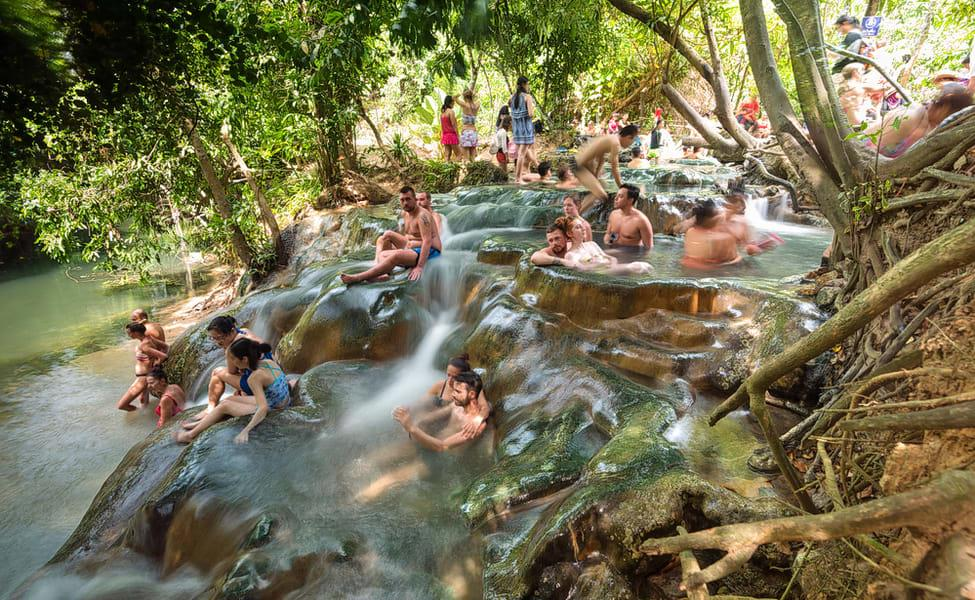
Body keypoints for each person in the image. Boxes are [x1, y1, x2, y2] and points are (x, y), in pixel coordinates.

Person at [176, 339, 290, 444]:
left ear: (244, 359)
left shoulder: (254, 377)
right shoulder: (268, 363)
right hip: (278, 399)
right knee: (228, 399)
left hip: (275, 408)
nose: (232, 362)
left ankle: (191, 435)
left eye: (233, 358)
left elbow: (263, 407)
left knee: (225, 406)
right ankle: (199, 424)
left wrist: (246, 430)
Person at [342, 186, 442, 284]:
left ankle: (359, 277)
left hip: (431, 251)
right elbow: (407, 235)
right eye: (402, 200)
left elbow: (427, 241)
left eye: (408, 199)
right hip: (413, 247)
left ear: (415, 199)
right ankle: (383, 274)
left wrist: (419, 267)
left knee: (396, 255)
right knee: (384, 249)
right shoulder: (405, 213)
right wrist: (404, 249)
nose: (405, 203)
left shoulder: (422, 216)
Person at [863, 83, 973, 158]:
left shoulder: (931, 124)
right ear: (946, 107)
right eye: (953, 115)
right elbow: (867, 153)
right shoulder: (909, 117)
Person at [393, 370, 487, 452]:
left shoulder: (476, 426)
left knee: (390, 472)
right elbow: (433, 416)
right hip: (430, 442)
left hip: (446, 456)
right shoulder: (456, 406)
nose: (453, 395)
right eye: (453, 390)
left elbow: (442, 447)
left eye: (458, 392)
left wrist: (411, 428)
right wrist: (410, 420)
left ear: (471, 394)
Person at [421, 354, 491, 438]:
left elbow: (485, 408)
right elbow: (422, 402)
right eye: (448, 375)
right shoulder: (440, 385)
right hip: (436, 420)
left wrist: (477, 420)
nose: (449, 380)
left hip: (453, 427)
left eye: (454, 377)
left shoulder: (473, 390)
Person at [574, 124, 640, 209]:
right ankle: (574, 217)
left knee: (602, 185)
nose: (631, 144)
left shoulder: (611, 138)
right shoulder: (615, 143)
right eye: (632, 140)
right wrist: (622, 187)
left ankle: (576, 214)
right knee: (601, 194)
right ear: (628, 137)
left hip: (581, 165)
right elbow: (615, 168)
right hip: (578, 167)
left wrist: (596, 174)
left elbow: (600, 156)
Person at [561, 216, 652, 275]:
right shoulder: (570, 255)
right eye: (578, 227)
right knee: (638, 267)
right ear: (569, 233)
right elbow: (580, 270)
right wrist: (600, 264)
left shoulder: (592, 244)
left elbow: (611, 258)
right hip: (599, 273)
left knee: (645, 266)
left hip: (610, 269)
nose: (583, 228)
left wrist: (613, 265)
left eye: (582, 226)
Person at [117, 322, 169, 412]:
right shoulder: (149, 338)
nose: (128, 335)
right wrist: (154, 363)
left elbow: (163, 356)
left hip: (143, 379)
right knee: (143, 401)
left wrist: (157, 364)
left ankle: (138, 414)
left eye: (129, 333)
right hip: (145, 376)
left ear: (136, 332)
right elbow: (166, 347)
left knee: (122, 405)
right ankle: (145, 416)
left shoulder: (144, 345)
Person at [682, 199, 742, 269]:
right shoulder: (723, 239)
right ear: (710, 220)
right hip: (715, 272)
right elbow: (734, 259)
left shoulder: (690, 232)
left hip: (690, 269)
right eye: (717, 214)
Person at [605, 184, 653, 251]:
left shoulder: (641, 220)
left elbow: (648, 247)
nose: (615, 199)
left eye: (620, 196)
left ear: (630, 200)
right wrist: (607, 245)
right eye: (616, 196)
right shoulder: (614, 214)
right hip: (613, 251)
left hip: (631, 255)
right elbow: (608, 234)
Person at [509, 76, 537, 182]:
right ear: (524, 84)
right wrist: (531, 110)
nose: (528, 86)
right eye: (527, 84)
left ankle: (536, 167)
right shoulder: (527, 97)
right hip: (526, 128)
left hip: (517, 129)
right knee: (522, 153)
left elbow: (511, 109)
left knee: (524, 151)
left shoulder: (512, 97)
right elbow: (530, 114)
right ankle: (518, 178)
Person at [454, 88, 480, 162]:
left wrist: (461, 93)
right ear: (471, 96)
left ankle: (468, 172)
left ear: (464, 97)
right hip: (473, 132)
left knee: (466, 158)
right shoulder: (476, 106)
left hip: (466, 132)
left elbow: (454, 97)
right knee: (472, 158)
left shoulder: (464, 105)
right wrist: (473, 94)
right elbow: (478, 99)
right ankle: (474, 172)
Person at [440, 95, 460, 162]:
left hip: (445, 136)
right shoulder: (451, 112)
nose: (454, 103)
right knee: (459, 155)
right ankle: (455, 170)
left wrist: (441, 136)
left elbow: (442, 127)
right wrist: (458, 135)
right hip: (452, 135)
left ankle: (445, 169)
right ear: (450, 102)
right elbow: (454, 124)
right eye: (453, 102)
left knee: (447, 155)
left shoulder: (442, 113)